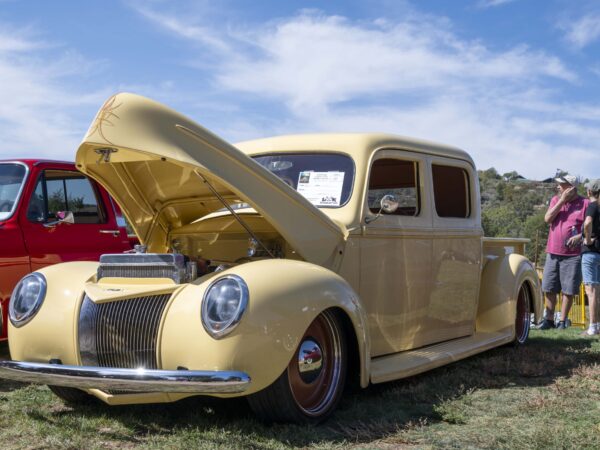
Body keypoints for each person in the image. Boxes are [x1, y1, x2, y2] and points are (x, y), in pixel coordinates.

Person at [539, 175, 589, 330]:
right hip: (553, 251)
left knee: (568, 289)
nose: (558, 187)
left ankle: (562, 321)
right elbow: (547, 219)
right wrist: (562, 200)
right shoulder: (556, 200)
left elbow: (593, 228)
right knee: (549, 287)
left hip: (573, 255)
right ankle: (549, 320)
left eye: (561, 185)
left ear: (572, 188)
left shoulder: (585, 204)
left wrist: (580, 236)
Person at [581, 179, 600, 336]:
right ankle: (598, 326)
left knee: (591, 291)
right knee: (597, 291)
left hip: (590, 253)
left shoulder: (592, 206)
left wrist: (587, 239)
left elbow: (587, 223)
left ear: (589, 192)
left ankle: (592, 328)